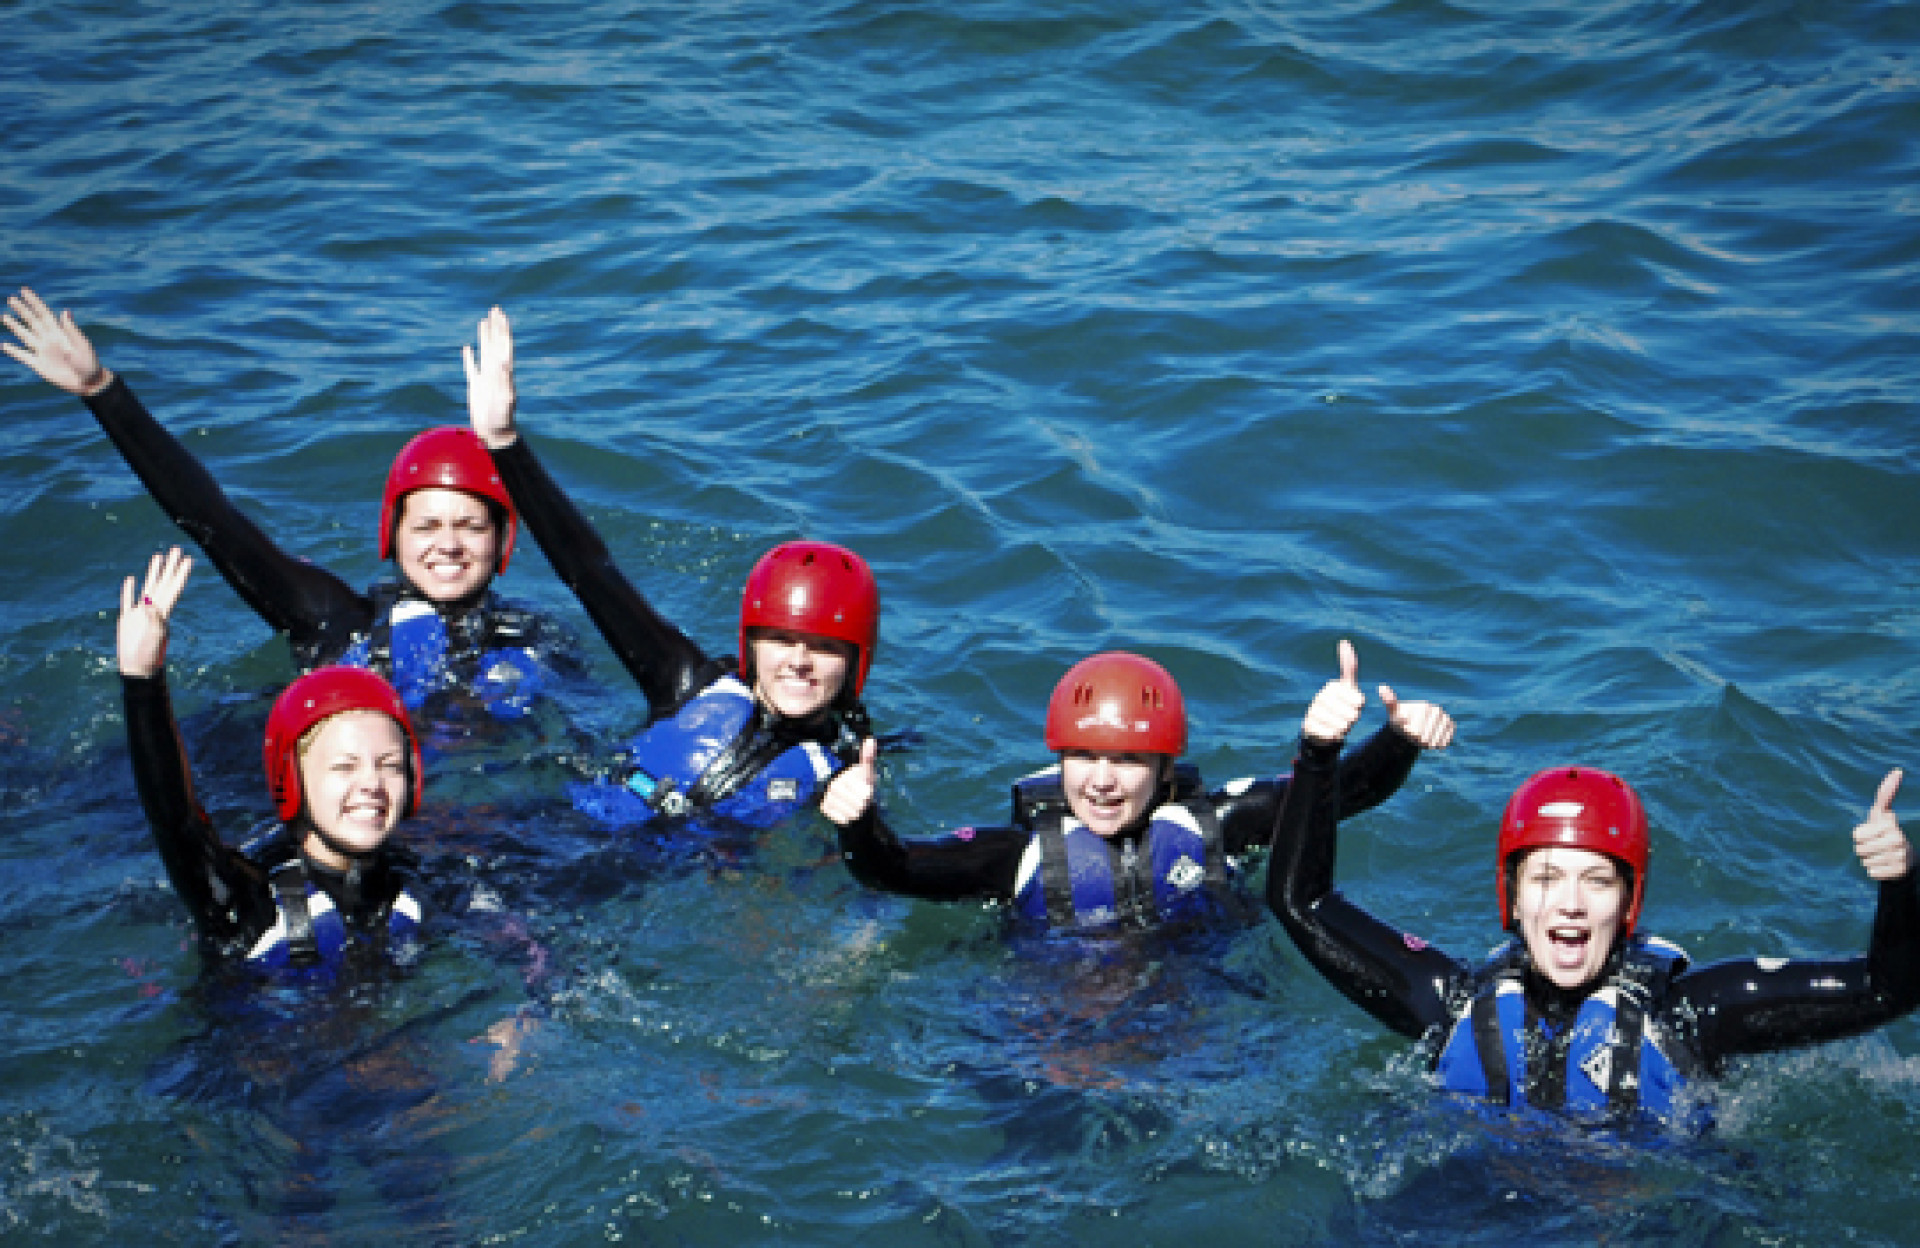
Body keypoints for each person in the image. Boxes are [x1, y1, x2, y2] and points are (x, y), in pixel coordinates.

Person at [1267, 642, 1920, 1123]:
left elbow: (1890, 989)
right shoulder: (1455, 1004)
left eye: (1598, 880)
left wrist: (1900, 884)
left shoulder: (1690, 1015)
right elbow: (1301, 901)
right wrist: (1318, 755)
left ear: (1630, 902)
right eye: (1546, 877)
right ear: (1512, 896)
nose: (1571, 905)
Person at [4, 288, 556, 715]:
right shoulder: (333, 621)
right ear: (393, 534)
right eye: (427, 525)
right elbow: (213, 521)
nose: (448, 544)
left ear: (503, 540)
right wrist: (102, 389)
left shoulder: (534, 641)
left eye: (471, 526)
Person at [461, 307, 877, 829]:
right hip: (557, 834)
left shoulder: (844, 772)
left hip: (646, 891)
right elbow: (590, 572)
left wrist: (862, 825)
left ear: (857, 661)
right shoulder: (686, 683)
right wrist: (504, 444)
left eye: (823, 645)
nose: (798, 660)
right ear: (749, 643)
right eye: (779, 639)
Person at [832, 646, 1455, 933]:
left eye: (1128, 761)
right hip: (1050, 1035)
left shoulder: (1216, 826)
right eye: (1084, 757)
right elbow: (894, 870)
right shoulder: (1017, 858)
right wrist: (858, 821)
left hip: (1194, 1023)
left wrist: (1397, 741)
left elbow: (1343, 796)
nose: (1102, 781)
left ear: (1164, 771)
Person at [118, 547, 431, 976]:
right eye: (344, 766)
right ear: (292, 780)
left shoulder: (422, 879)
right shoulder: (247, 901)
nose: (372, 783)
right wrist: (143, 683)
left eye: (390, 765)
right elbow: (176, 823)